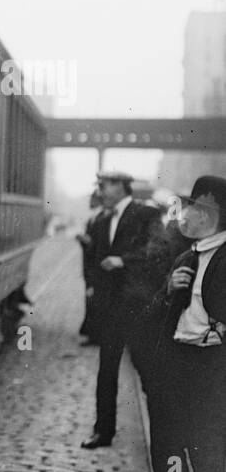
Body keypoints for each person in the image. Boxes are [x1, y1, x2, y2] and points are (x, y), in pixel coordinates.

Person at [143, 175, 226, 472]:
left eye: (191, 209)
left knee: (205, 454)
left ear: (212, 215)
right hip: (175, 365)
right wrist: (168, 291)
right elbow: (155, 315)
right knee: (165, 449)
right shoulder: (186, 258)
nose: (183, 216)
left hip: (211, 371)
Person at [81, 171, 164, 449]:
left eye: (105, 186)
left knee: (147, 371)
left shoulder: (146, 215)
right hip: (111, 309)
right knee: (107, 371)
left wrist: (123, 261)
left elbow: (158, 253)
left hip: (138, 308)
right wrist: (93, 288)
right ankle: (103, 432)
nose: (101, 191)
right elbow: (94, 261)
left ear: (120, 187)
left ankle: (161, 436)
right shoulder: (102, 221)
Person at [77, 190, 104, 346]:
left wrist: (86, 241)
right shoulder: (94, 218)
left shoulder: (100, 219)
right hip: (89, 268)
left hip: (94, 268)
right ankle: (92, 334)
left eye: (93, 198)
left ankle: (95, 336)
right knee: (91, 300)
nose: (90, 201)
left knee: (94, 300)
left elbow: (98, 246)